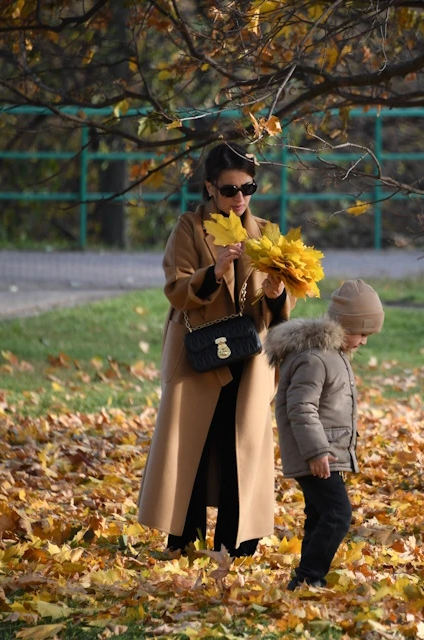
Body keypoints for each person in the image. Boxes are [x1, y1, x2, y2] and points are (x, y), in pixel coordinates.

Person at [137, 142, 295, 557]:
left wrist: (277, 294)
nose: (239, 199)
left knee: (238, 446)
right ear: (209, 187)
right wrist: (217, 270)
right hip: (198, 355)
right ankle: (183, 539)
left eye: (248, 188)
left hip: (248, 358)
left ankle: (236, 542)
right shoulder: (189, 228)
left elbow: (276, 311)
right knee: (190, 445)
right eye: (229, 190)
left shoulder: (267, 233)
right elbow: (177, 290)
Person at [263, 279, 384, 590]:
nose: (365, 342)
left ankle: (306, 579)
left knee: (319, 514)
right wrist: (316, 451)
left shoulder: (332, 355)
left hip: (326, 453)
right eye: (363, 333)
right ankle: (308, 577)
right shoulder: (315, 358)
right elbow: (300, 408)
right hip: (317, 454)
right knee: (338, 514)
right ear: (344, 325)